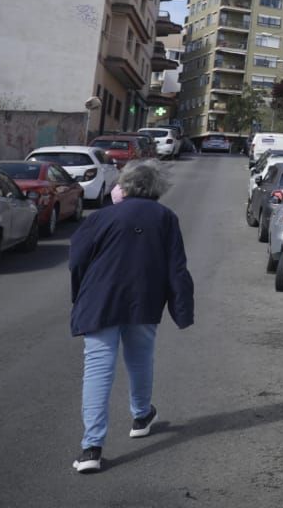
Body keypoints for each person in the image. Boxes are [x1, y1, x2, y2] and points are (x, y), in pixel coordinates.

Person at [69, 160, 194, 473]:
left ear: (124, 185)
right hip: (144, 300)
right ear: (156, 187)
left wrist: (80, 297)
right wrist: (182, 310)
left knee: (98, 369)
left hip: (99, 302)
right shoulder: (166, 217)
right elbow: (176, 268)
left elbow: (76, 260)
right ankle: (141, 415)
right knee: (140, 359)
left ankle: (91, 449)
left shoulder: (101, 217)